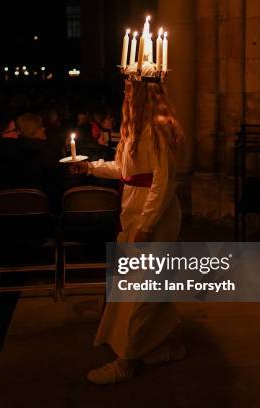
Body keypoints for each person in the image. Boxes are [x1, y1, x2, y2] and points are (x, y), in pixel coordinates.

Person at [71, 79, 186, 385]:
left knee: (142, 292)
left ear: (144, 93)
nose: (125, 95)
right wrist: (90, 168)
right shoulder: (134, 127)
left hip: (153, 216)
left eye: (129, 90)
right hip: (133, 210)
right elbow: (125, 170)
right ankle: (166, 345)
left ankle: (126, 361)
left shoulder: (160, 128)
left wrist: (146, 225)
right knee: (138, 287)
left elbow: (163, 182)